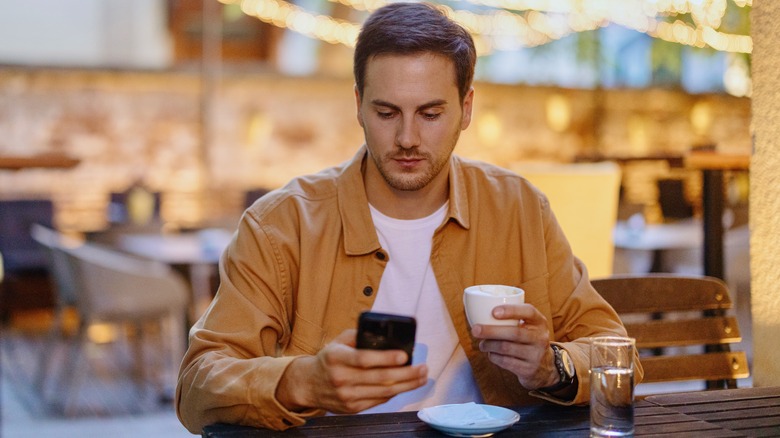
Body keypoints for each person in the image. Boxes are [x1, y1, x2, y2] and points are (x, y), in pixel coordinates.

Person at [175, 2, 642, 433]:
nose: (407, 138)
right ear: (357, 104)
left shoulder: (518, 207)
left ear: (467, 108)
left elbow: (616, 353)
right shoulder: (281, 225)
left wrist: (551, 367)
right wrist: (300, 381)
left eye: (430, 113)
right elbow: (198, 384)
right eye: (386, 112)